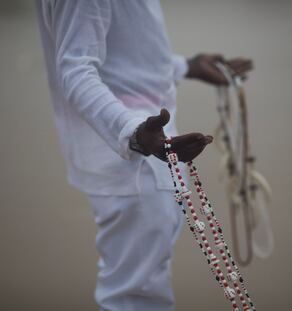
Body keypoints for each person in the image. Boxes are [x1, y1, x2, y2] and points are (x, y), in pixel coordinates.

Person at [36, 1, 253, 310]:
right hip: (133, 161)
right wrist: (133, 133)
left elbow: (129, 45)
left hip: (146, 151)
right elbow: (75, 68)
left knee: (144, 290)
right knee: (134, 299)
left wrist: (186, 66)